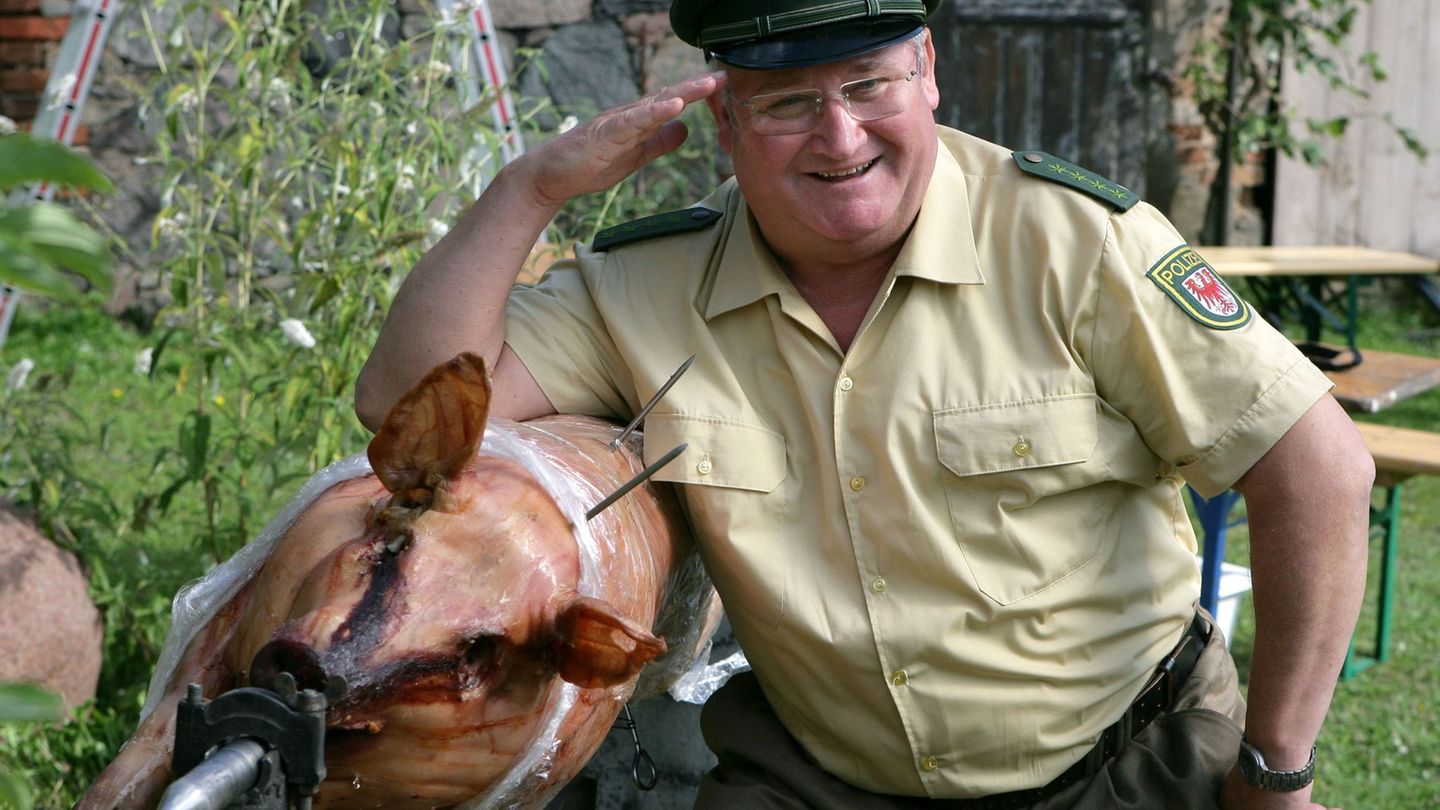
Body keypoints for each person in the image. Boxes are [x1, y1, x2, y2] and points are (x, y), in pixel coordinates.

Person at [355, 1, 1374, 807]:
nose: (840, 135)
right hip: (820, 780)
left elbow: (1318, 469)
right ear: (727, 119)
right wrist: (528, 190)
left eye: (868, 82)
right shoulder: (645, 287)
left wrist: (1277, 768)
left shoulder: (1078, 245)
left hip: (1128, 764)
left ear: (927, 71)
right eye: (789, 100)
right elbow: (404, 405)